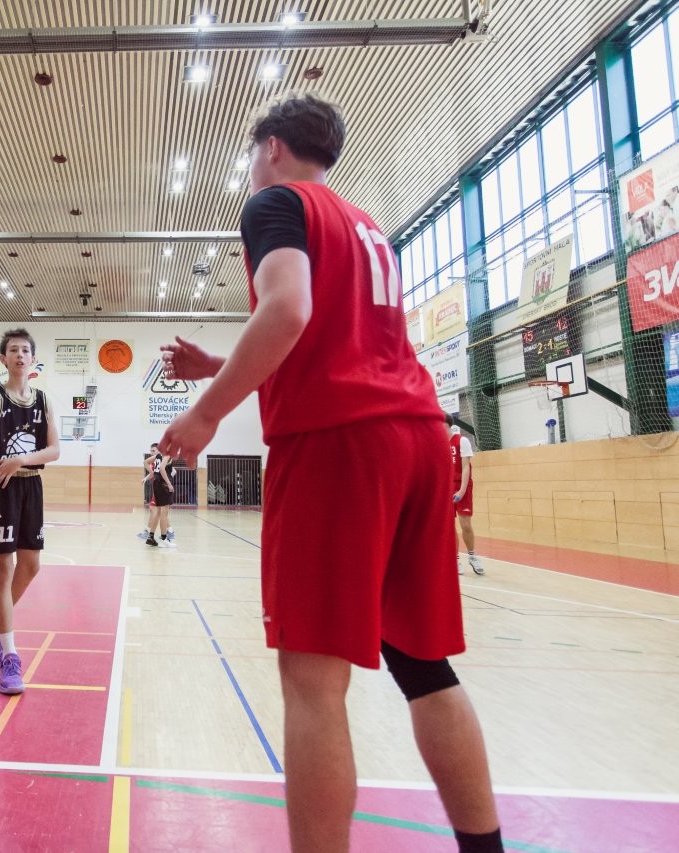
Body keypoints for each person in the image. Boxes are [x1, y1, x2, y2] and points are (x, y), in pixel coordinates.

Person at [158, 95, 502, 853]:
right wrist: (220, 365)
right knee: (424, 666)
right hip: (418, 436)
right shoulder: (365, 224)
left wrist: (207, 412)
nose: (250, 170)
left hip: (341, 447)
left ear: (272, 148)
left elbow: (288, 310)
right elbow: (332, 334)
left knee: (313, 683)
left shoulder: (275, 203)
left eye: (251, 156)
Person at [0, 330, 60, 694]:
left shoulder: (43, 399)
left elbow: (54, 450)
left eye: (25, 350)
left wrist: (22, 458)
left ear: (33, 359)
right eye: (13, 350)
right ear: (3, 359)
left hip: (31, 485)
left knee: (31, 565)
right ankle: (9, 655)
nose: (20, 355)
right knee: (3, 571)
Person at [450, 420, 484, 576]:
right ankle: (455, 559)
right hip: (447, 486)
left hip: (462, 486)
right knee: (449, 526)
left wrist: (462, 490)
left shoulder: (461, 441)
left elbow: (465, 467)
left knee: (465, 524)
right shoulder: (438, 444)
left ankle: (472, 556)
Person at [145, 447, 176, 548]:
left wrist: (152, 473)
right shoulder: (167, 454)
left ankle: (151, 537)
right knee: (164, 513)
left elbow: (145, 462)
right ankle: (164, 539)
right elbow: (162, 468)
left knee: (158, 512)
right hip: (163, 485)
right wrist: (169, 484)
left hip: (156, 484)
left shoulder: (158, 455)